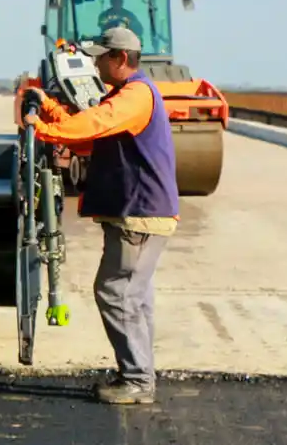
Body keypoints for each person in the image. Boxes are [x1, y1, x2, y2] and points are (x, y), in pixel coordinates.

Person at [21, 26, 178, 405]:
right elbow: (93, 135)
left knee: (116, 292)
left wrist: (38, 127)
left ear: (120, 58)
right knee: (134, 297)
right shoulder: (128, 95)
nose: (94, 62)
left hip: (138, 216)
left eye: (101, 56)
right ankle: (138, 372)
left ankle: (138, 380)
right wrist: (51, 110)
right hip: (139, 213)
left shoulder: (136, 95)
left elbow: (94, 123)